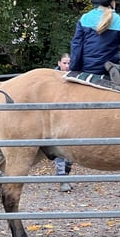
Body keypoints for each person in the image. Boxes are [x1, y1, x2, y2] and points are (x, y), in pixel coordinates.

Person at [53, 53, 73, 192]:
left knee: (71, 154)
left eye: (69, 63)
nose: (67, 66)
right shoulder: (52, 80)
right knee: (60, 151)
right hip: (56, 118)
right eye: (65, 63)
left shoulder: (74, 77)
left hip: (71, 117)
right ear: (59, 63)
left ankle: (65, 173)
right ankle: (62, 179)